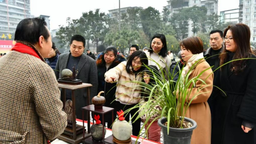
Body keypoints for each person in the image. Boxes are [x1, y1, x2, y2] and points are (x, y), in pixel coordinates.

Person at [0, 17, 67, 143]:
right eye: (50, 40)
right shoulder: (40, 69)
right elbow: (55, 126)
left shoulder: (1, 61)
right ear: (41, 40)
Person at [212, 23, 256, 144]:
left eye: (231, 38)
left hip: (239, 113)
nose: (227, 41)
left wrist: (248, 119)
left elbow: (253, 92)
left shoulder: (252, 61)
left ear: (241, 39)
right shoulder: (223, 58)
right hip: (221, 109)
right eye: (226, 37)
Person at [105, 51, 148, 136]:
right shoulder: (124, 65)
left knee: (136, 126)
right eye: (134, 61)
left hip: (136, 104)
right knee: (123, 126)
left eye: (139, 63)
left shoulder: (144, 72)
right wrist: (111, 77)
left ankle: (135, 140)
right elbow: (114, 71)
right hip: (122, 103)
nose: (135, 64)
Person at [179, 37, 213, 144]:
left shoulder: (202, 66)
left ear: (194, 49)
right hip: (186, 108)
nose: (182, 52)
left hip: (196, 111)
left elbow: (203, 92)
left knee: (195, 140)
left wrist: (179, 93)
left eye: (185, 49)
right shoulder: (190, 65)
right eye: (181, 49)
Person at [55, 34, 98, 119]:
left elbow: (94, 84)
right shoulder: (61, 58)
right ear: (70, 45)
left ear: (84, 48)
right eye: (74, 46)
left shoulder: (90, 62)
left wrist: (90, 102)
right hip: (62, 98)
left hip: (81, 100)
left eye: (79, 47)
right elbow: (56, 77)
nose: (76, 50)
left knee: (80, 126)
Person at [96, 46, 125, 128]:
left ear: (115, 57)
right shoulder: (99, 65)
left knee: (110, 120)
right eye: (106, 54)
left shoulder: (118, 67)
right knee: (99, 120)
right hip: (100, 96)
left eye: (111, 55)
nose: (108, 57)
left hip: (112, 98)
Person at [140, 65, 161, 142]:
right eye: (144, 75)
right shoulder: (145, 87)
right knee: (148, 136)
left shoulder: (158, 88)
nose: (145, 77)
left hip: (154, 118)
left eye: (147, 75)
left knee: (154, 138)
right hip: (146, 117)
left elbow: (160, 104)